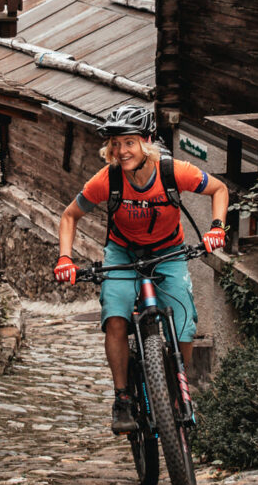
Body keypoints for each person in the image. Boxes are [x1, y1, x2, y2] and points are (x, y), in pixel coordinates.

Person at [52, 105, 228, 433]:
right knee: (116, 319)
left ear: (147, 141)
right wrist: (65, 258)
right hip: (122, 254)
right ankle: (122, 398)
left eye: (129, 143)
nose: (121, 151)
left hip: (168, 252)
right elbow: (69, 215)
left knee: (186, 323)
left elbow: (219, 189)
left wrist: (217, 227)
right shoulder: (108, 179)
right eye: (115, 144)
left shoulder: (174, 172)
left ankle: (175, 387)